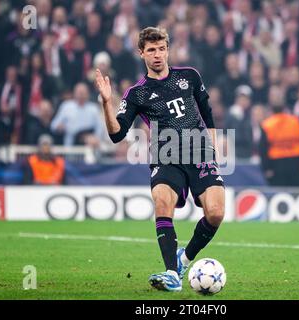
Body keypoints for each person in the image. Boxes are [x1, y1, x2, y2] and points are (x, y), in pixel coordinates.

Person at [95, 27, 224, 292]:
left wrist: (212, 145)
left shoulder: (189, 76)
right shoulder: (137, 94)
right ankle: (171, 274)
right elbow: (117, 135)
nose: (157, 55)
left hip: (199, 152)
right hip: (166, 156)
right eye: (151, 50)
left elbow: (206, 110)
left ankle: (184, 259)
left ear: (168, 49)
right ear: (141, 53)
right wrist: (106, 103)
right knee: (162, 203)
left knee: (216, 213)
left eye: (162, 48)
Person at [259, 86, 299, 186]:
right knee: (296, 194)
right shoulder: (296, 121)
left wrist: (266, 168)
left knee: (278, 193)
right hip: (296, 163)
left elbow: (263, 149)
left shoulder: (267, 125)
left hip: (277, 165)